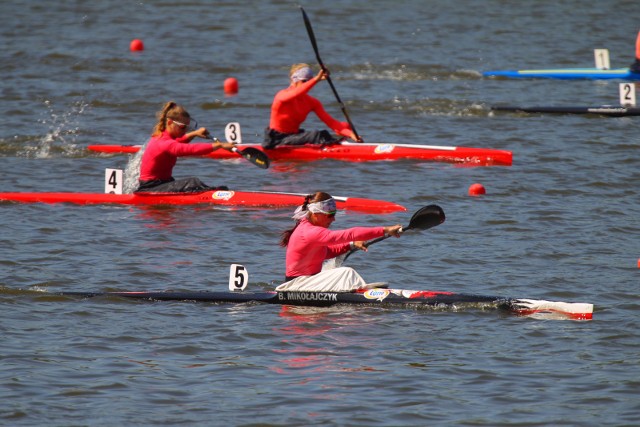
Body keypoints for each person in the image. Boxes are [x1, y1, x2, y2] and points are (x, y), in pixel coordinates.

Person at [276, 191, 402, 292]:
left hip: (307, 282)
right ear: (315, 214)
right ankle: (365, 294)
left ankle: (358, 291)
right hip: (295, 286)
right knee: (346, 272)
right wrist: (385, 230)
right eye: (330, 215)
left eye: (334, 214)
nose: (334, 219)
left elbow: (327, 252)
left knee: (337, 272)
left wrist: (351, 244)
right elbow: (350, 233)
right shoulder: (309, 232)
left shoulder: (308, 229)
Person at [136, 101, 236, 193]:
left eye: (187, 127)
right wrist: (220, 145)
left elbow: (178, 141)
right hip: (150, 188)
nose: (185, 131)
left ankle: (211, 192)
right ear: (170, 122)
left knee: (193, 185)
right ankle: (212, 193)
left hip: (163, 183)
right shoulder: (163, 142)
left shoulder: (164, 137)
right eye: (183, 127)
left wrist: (195, 133)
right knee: (192, 182)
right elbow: (186, 149)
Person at [262, 63, 362, 149]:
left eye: (308, 81)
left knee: (345, 125)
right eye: (304, 81)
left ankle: (341, 145)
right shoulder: (282, 96)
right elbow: (296, 93)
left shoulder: (312, 102)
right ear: (294, 80)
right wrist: (316, 79)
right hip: (276, 140)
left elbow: (332, 123)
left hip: (294, 136)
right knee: (317, 134)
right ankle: (335, 146)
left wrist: (351, 134)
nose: (307, 85)